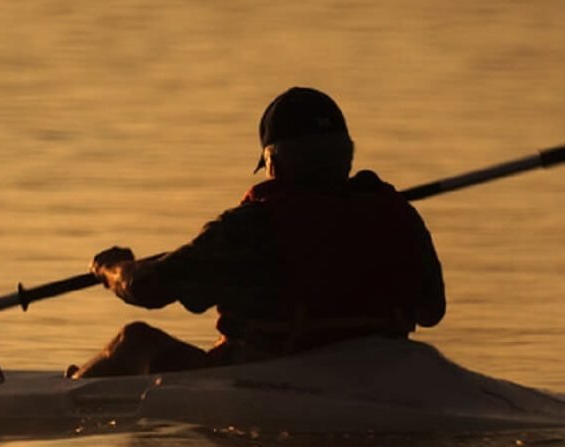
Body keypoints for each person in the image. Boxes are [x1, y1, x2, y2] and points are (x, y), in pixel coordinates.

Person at [72, 87, 445, 378]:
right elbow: (432, 311)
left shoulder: (250, 227)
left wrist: (111, 268)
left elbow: (146, 287)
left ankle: (70, 390)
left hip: (276, 376)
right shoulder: (397, 214)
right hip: (382, 374)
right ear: (346, 156)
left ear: (274, 161)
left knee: (134, 341)